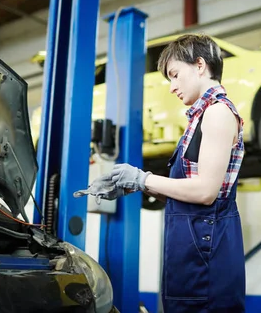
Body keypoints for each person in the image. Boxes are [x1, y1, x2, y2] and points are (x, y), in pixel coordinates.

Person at [88, 34, 246, 313]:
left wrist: (142, 177)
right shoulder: (199, 118)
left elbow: (205, 192)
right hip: (193, 253)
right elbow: (188, 195)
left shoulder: (218, 113)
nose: (172, 87)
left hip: (206, 261)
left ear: (199, 65)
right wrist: (137, 186)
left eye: (175, 75)